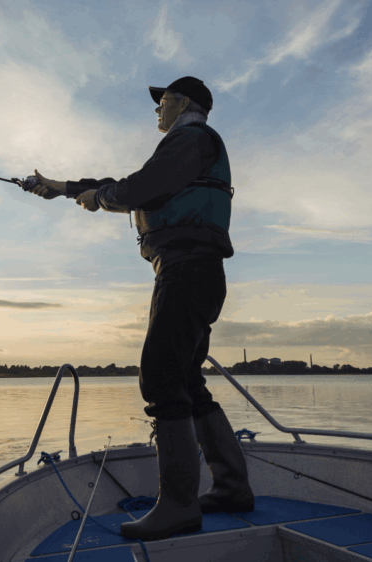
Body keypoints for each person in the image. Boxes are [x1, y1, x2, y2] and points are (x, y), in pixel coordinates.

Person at [27, 76, 253, 541]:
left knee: (161, 377)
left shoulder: (191, 139)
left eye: (162, 101)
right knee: (187, 379)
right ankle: (231, 488)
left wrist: (103, 198)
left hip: (187, 269)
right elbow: (130, 184)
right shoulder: (188, 146)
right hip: (194, 270)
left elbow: (139, 187)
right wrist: (64, 188)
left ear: (183, 102)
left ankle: (178, 506)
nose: (156, 110)